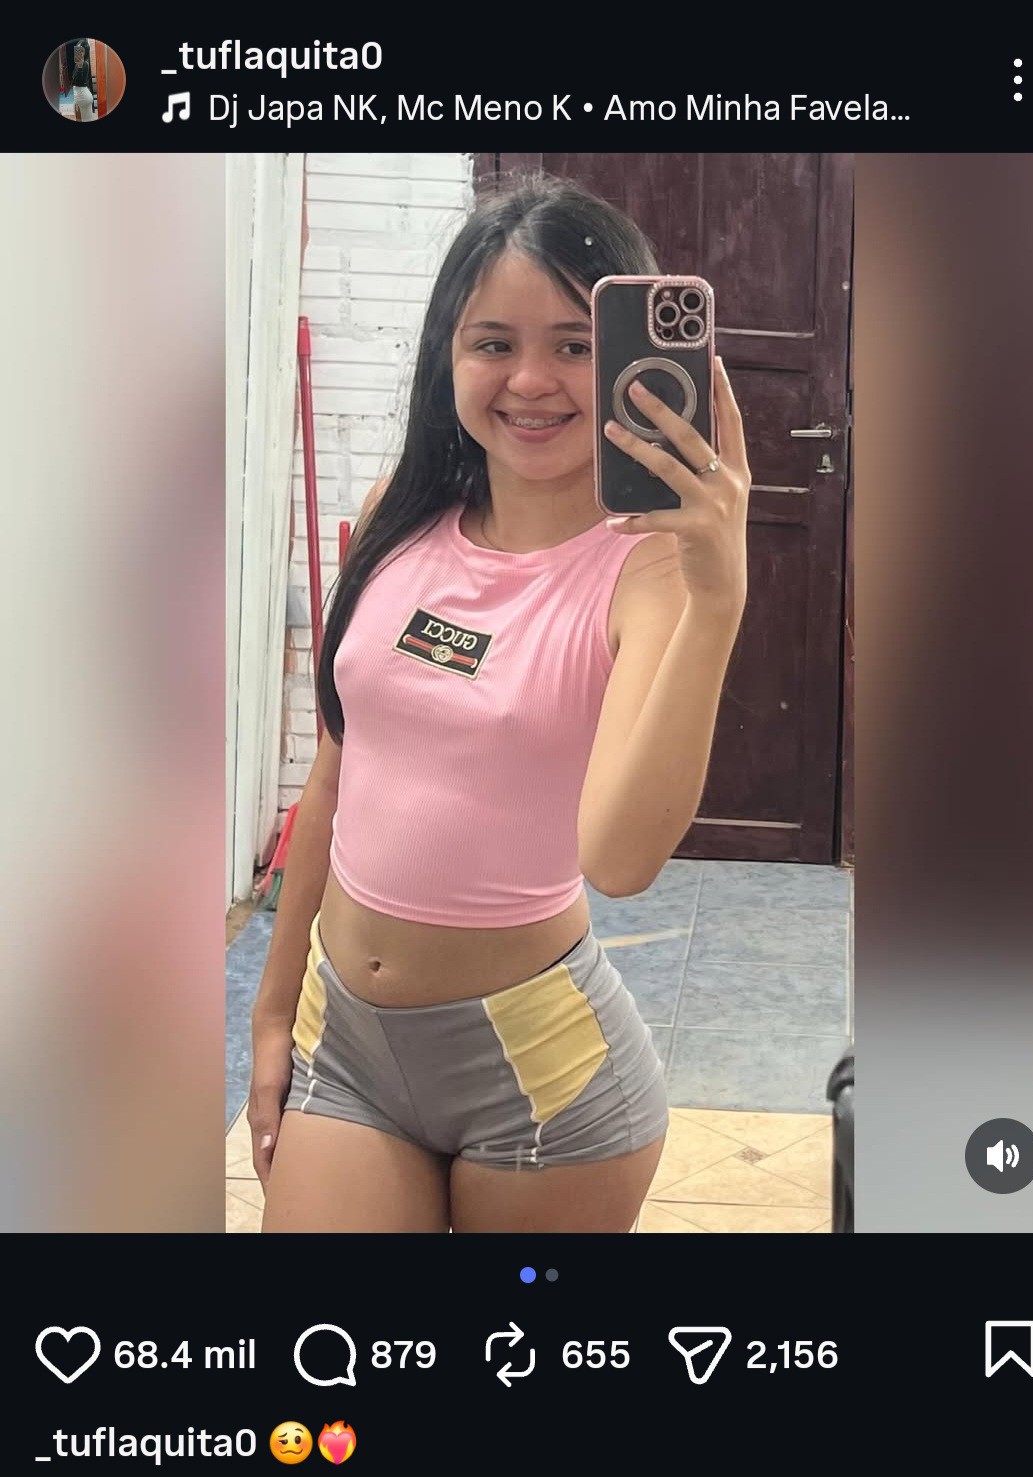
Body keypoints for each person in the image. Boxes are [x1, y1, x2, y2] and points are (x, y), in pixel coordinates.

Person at [249, 174, 750, 1233]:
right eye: (494, 342)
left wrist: (717, 601)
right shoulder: (396, 518)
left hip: (538, 1073)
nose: (531, 379)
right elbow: (333, 777)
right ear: (449, 354)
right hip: (346, 1044)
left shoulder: (648, 571)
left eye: (575, 343)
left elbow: (621, 860)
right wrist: (269, 1014)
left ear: (631, 362)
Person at [71, 42, 94, 122]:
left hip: (83, 97)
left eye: (82, 51)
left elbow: (80, 82)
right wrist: (78, 66)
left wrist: (80, 68)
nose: (80, 53)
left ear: (86, 52)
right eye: (78, 50)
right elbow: (74, 79)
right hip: (79, 95)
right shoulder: (77, 64)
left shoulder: (85, 64)